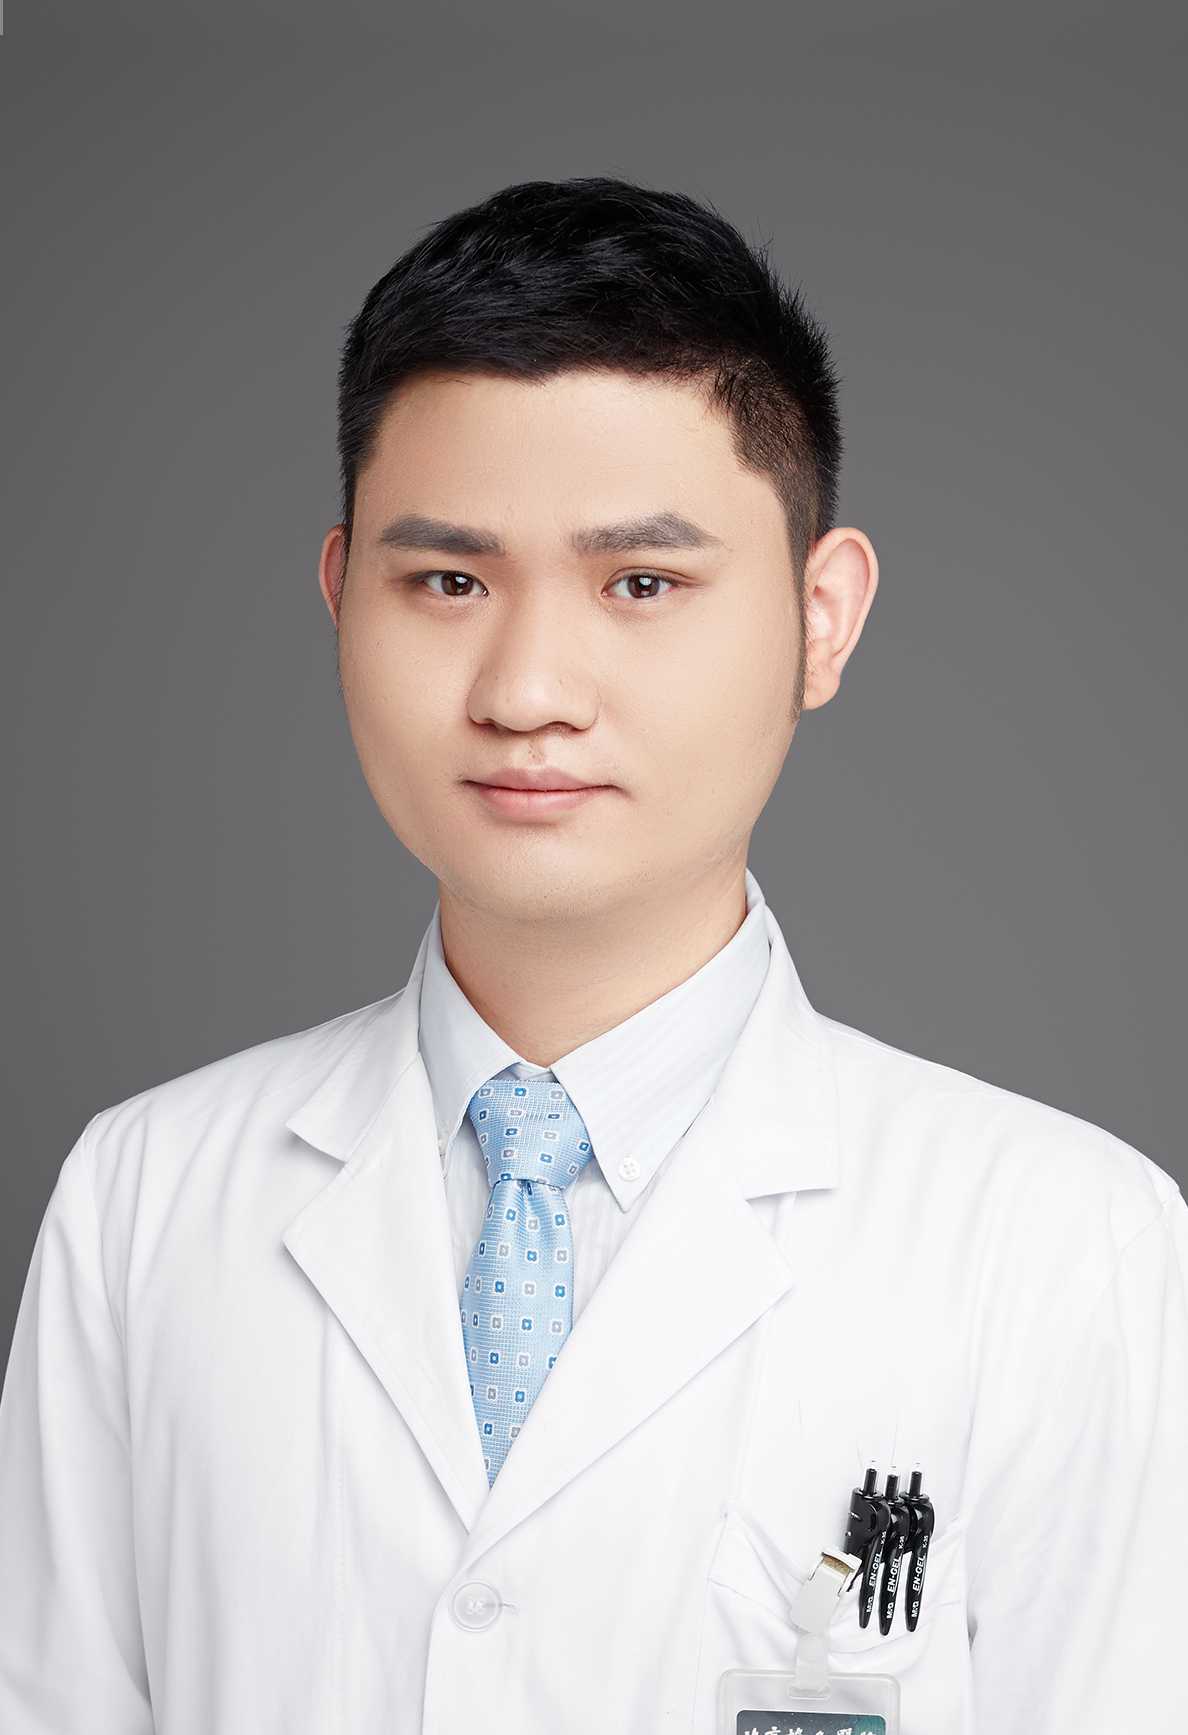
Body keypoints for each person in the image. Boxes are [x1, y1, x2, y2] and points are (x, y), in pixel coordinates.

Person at [0, 174, 1184, 1735]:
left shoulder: (1066, 1248)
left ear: (822, 618)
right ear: (341, 595)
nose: (528, 689)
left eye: (641, 584)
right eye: (449, 581)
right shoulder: (146, 1203)